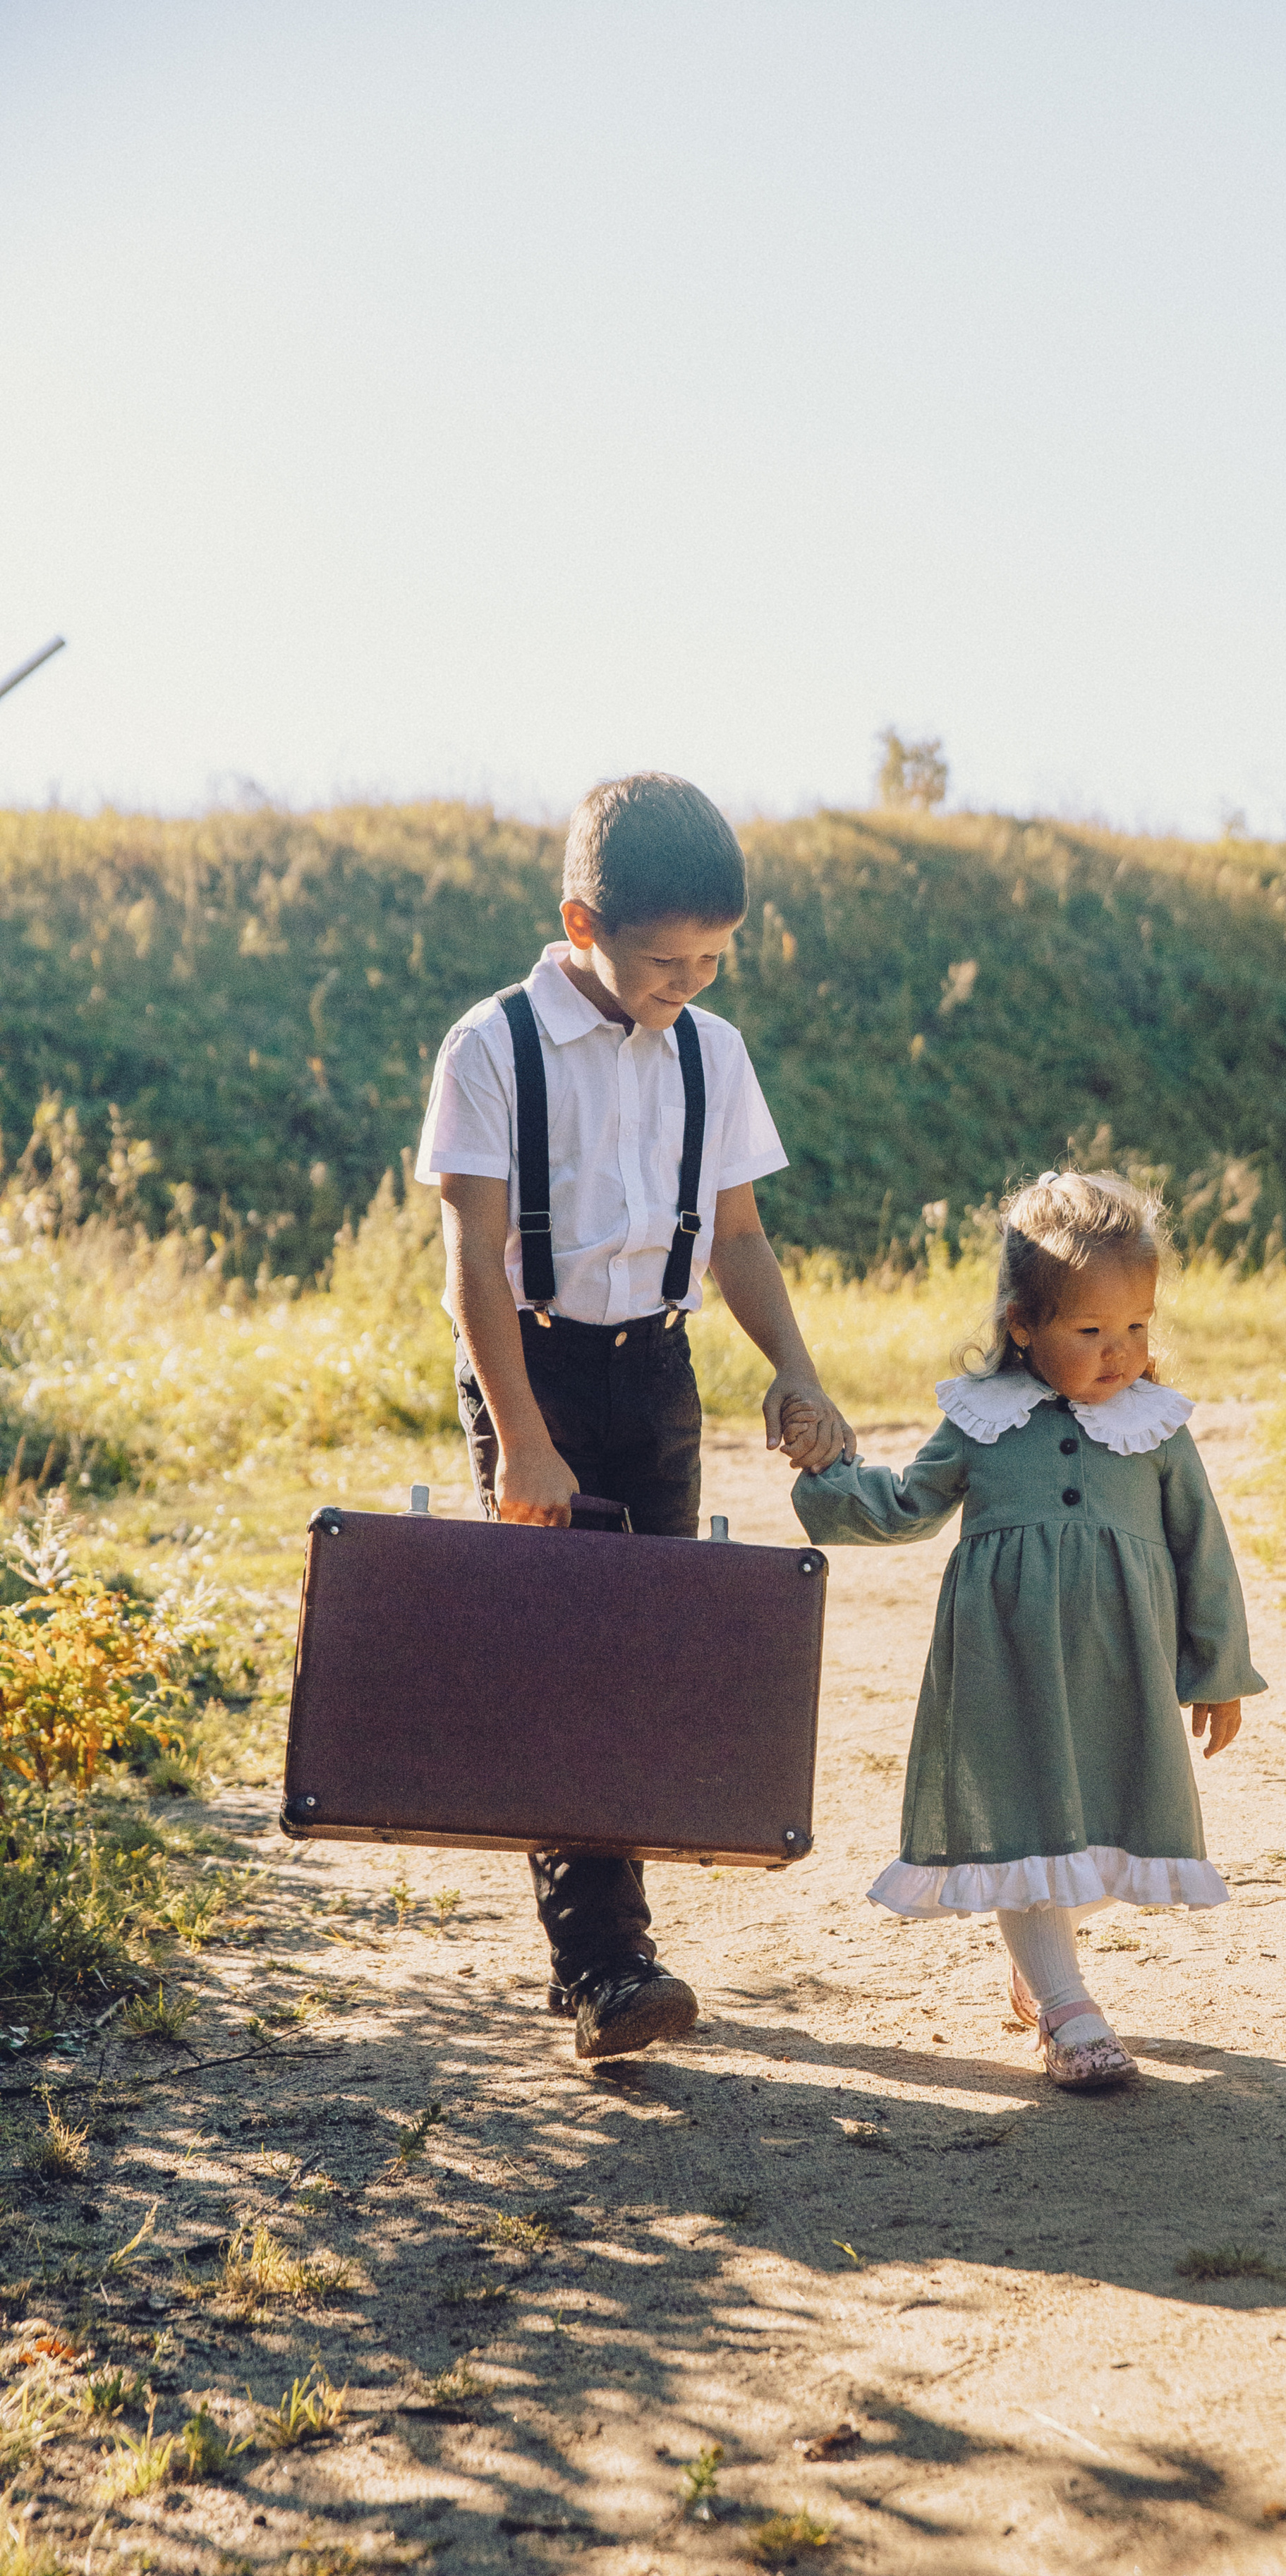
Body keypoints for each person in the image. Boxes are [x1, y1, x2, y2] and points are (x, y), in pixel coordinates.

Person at [417, 772, 854, 2062]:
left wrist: (795, 1369)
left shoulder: (715, 1053)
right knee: (571, 1657)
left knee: (648, 1645)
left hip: (657, 1372)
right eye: (668, 961)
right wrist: (523, 1439)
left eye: (714, 959)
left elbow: (740, 1238)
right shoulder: (491, 1046)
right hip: (532, 1374)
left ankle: (616, 1946)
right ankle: (606, 1966)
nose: (691, 982)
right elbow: (470, 1262)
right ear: (582, 924)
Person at [791, 1169, 1264, 2091]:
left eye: (1137, 1327)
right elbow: (906, 1505)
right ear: (1022, 1325)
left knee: (1109, 1824)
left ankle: (1040, 1966)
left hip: (1118, 1669)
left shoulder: (1156, 1428)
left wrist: (1218, 1669)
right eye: (1090, 1332)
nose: (1120, 1353)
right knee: (1026, 1829)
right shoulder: (984, 1422)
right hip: (1004, 1661)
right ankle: (1066, 2005)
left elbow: (1202, 1550)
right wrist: (825, 1478)